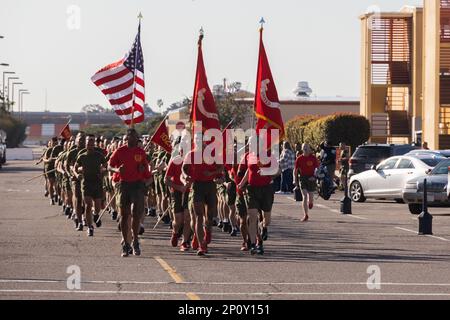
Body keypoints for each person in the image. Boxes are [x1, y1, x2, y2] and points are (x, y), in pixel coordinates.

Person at [109, 129, 151, 257]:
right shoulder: (120, 151)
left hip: (137, 185)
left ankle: (135, 241)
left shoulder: (140, 152)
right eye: (131, 136)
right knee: (124, 215)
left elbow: (146, 169)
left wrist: (143, 169)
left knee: (136, 213)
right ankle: (125, 244)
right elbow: (109, 166)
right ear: (127, 138)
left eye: (135, 136)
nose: (133, 138)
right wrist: (117, 169)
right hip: (124, 185)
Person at [182, 135, 223, 256]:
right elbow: (184, 168)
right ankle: (202, 245)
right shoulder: (191, 154)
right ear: (194, 142)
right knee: (199, 216)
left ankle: (208, 232)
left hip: (210, 186)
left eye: (201, 140)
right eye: (196, 140)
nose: (199, 142)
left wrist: (212, 172)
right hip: (197, 186)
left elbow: (220, 168)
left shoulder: (212, 154)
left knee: (209, 217)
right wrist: (186, 176)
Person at [237, 139, 279, 255]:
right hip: (252, 189)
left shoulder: (269, 155)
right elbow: (248, 171)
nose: (249, 145)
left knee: (267, 220)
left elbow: (278, 170)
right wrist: (242, 183)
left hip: (266, 189)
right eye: (249, 144)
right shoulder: (249, 156)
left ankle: (264, 228)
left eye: (252, 144)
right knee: (252, 216)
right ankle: (252, 243)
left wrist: (267, 172)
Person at [74, 135, 107, 237]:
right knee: (88, 205)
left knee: (97, 207)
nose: (90, 144)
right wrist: (78, 173)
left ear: (94, 144)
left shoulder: (99, 155)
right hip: (86, 183)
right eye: (88, 142)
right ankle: (90, 227)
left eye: (92, 142)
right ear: (86, 144)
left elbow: (106, 166)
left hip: (97, 183)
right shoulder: (82, 156)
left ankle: (95, 215)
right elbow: (75, 168)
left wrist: (103, 171)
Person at [294, 143, 319, 222]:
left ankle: (311, 202)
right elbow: (295, 170)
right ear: (302, 149)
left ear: (309, 149)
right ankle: (305, 215)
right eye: (304, 147)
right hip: (303, 178)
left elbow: (317, 169)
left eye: (306, 147)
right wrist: (295, 180)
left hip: (311, 178)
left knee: (310, 196)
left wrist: (314, 177)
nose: (305, 148)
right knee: (304, 196)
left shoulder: (313, 158)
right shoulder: (299, 159)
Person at [67, 132, 87, 230]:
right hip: (76, 179)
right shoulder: (72, 152)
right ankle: (79, 221)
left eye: (83, 139)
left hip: (88, 180)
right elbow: (68, 166)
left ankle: (83, 215)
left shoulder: (89, 151)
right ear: (76, 141)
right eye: (80, 139)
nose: (82, 141)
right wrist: (70, 175)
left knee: (86, 201)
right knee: (78, 199)